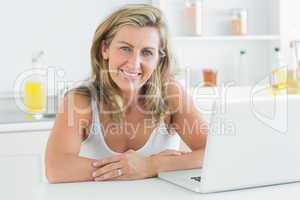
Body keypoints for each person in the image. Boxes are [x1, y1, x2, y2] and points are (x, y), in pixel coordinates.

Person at [45, 4, 207, 183]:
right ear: (105, 49)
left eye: (147, 52)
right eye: (125, 48)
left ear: (158, 59)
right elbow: (56, 168)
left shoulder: (171, 94)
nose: (134, 64)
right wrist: (128, 168)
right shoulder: (80, 100)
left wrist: (151, 165)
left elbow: (214, 154)